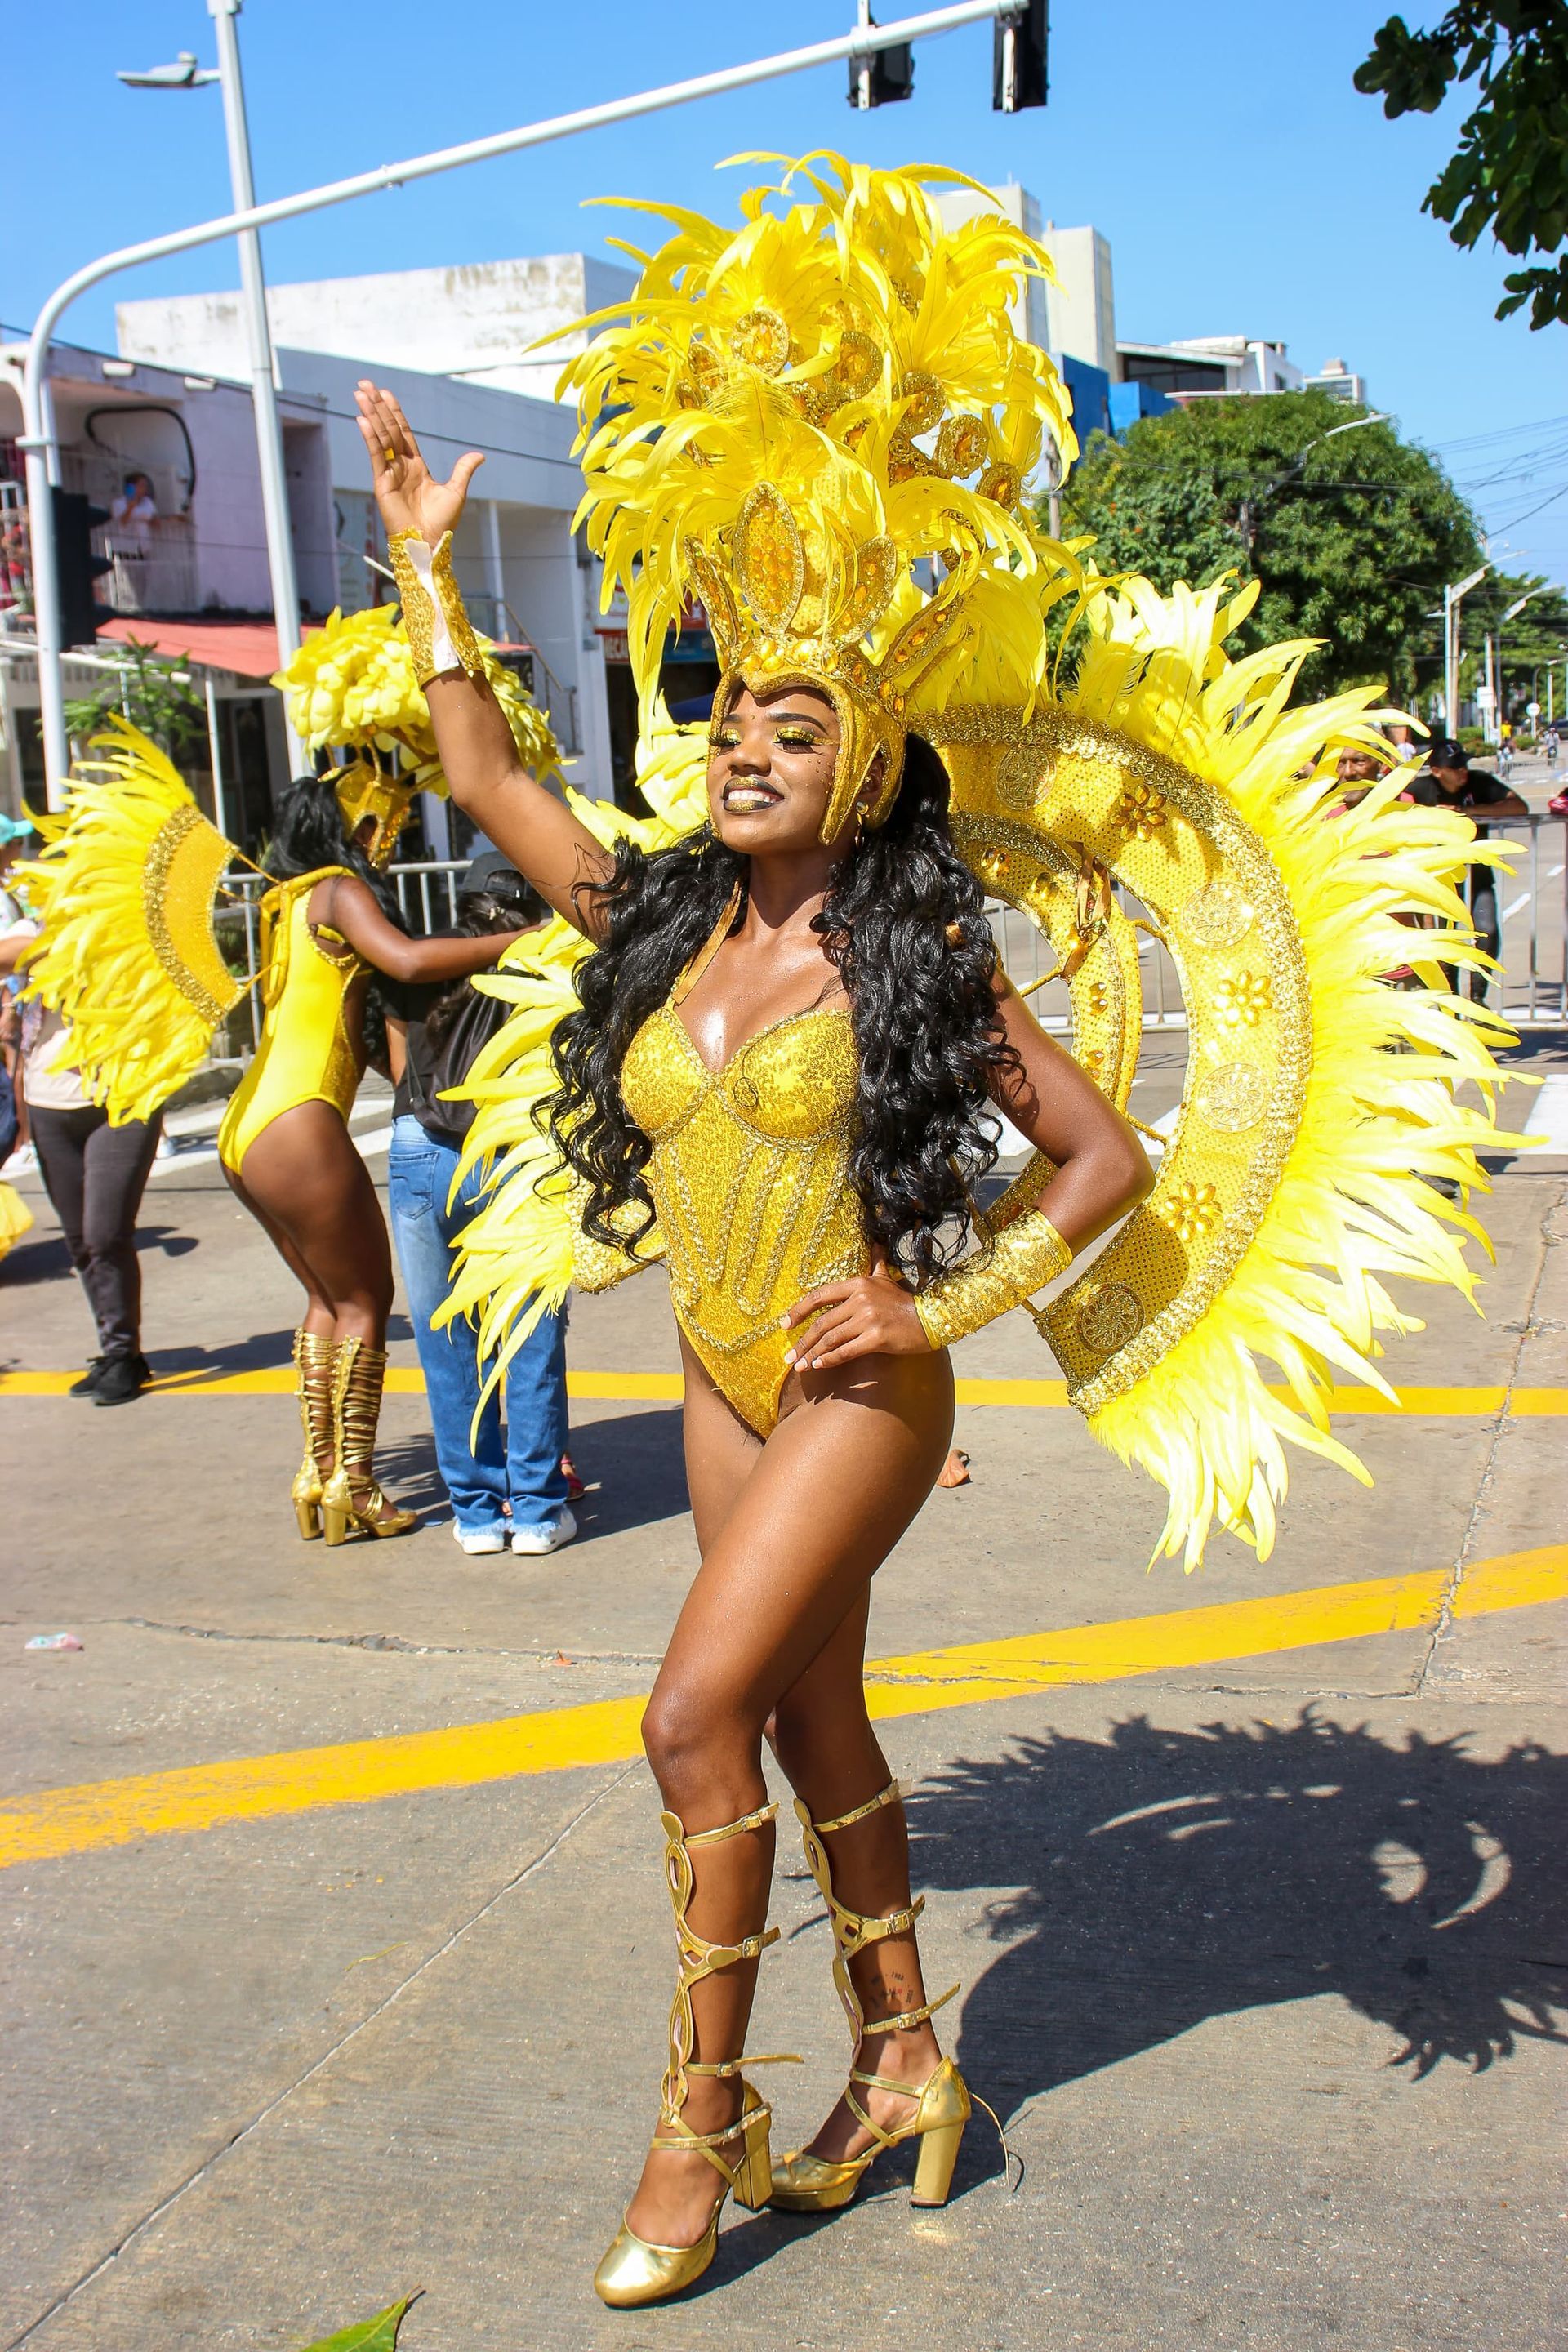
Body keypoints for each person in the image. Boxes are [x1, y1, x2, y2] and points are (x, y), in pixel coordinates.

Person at [359, 156, 1511, 2315]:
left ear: (867, 753)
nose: (742, 750)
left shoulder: (919, 967)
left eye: (791, 729)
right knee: (805, 1730)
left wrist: (925, 1299)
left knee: (687, 1717)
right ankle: (905, 2063)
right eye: (726, 721)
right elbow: (494, 786)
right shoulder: (667, 915)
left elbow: (1101, 1167)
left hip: (859, 1386)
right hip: (706, 1371)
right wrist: (431, 577)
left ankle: (693, 2121)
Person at [217, 769, 529, 1544]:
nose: (386, 845)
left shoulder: (284, 898)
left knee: (327, 1301)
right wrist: (532, 937)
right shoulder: (333, 890)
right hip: (297, 1118)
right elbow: (410, 961)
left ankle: (318, 1475)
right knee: (362, 1304)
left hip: (249, 1122)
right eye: (380, 829)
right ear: (352, 827)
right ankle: (353, 1483)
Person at [385, 850, 577, 1558]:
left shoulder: (423, 959)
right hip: (511, 1153)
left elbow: (401, 1064)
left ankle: (473, 1513)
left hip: (419, 1150)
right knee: (528, 1338)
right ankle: (533, 1512)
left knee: (446, 1342)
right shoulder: (551, 961)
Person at [1405, 740, 1526, 1000]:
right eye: (1455, 766)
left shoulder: (1479, 781)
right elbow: (1393, 811)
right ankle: (1449, 1000)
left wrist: (1465, 812)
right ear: (1437, 770)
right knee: (1440, 942)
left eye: (1464, 764)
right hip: (1435, 881)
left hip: (1477, 876)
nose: (1463, 770)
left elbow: (1518, 806)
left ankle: (1477, 996)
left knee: (1487, 931)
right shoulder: (1420, 788)